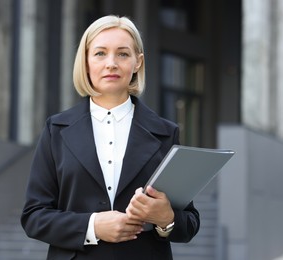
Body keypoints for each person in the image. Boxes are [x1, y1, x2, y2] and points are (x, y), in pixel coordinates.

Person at [21, 15, 200, 260]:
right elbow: (33, 216)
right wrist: (93, 226)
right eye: (100, 53)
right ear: (85, 62)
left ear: (138, 63)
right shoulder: (56, 130)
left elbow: (189, 222)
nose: (111, 63)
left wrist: (166, 218)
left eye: (123, 54)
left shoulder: (166, 133)